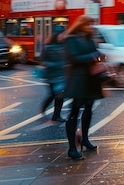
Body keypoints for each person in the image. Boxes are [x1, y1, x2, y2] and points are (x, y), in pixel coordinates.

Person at [63, 15, 105, 160]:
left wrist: (99, 55)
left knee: (88, 109)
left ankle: (85, 139)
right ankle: (72, 148)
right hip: (78, 80)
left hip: (91, 79)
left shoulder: (89, 38)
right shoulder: (71, 39)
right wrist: (93, 55)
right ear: (81, 25)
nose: (91, 27)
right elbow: (73, 58)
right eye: (88, 24)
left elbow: (94, 53)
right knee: (74, 112)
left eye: (92, 24)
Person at [40, 31, 67, 122]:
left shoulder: (64, 47)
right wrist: (54, 64)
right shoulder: (47, 47)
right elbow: (42, 61)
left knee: (60, 96)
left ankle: (56, 115)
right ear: (56, 36)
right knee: (52, 95)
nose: (62, 37)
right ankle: (44, 106)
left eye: (63, 35)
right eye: (61, 35)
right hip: (51, 76)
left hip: (62, 75)